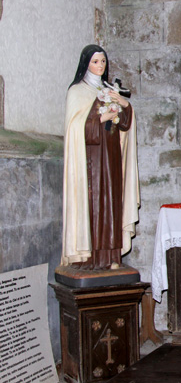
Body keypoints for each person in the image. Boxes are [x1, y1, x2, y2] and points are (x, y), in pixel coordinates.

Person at [61, 44, 140, 270]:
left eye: (103, 61)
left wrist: (123, 103)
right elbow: (75, 128)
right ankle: (90, 258)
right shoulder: (77, 91)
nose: (100, 66)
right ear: (86, 63)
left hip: (112, 154)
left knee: (112, 202)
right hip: (91, 160)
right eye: (95, 61)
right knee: (95, 204)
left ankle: (111, 257)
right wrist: (102, 117)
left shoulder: (109, 89)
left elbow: (125, 123)